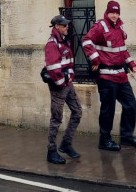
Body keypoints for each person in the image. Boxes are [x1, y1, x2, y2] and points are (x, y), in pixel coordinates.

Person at [82, 0, 136, 151]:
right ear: (107, 12)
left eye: (117, 13)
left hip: (121, 75)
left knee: (130, 104)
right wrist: (95, 58)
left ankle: (127, 137)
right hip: (105, 75)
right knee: (108, 109)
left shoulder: (119, 27)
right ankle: (104, 140)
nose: (115, 15)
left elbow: (122, 50)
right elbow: (86, 42)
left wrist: (131, 64)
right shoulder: (100, 26)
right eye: (112, 12)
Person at [45, 14, 82, 164]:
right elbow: (53, 68)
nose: (67, 26)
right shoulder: (52, 43)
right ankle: (51, 151)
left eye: (67, 24)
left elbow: (66, 63)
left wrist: (69, 79)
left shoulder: (62, 41)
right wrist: (62, 83)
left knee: (77, 112)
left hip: (67, 84)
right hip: (60, 86)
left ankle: (66, 143)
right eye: (64, 24)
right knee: (56, 119)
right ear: (57, 27)